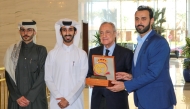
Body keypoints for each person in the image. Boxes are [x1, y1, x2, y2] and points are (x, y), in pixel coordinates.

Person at [107, 5, 177, 109]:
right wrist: (131, 76)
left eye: (144, 19)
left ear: (151, 20)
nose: (140, 22)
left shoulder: (159, 42)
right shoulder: (141, 42)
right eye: (137, 19)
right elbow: (143, 68)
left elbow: (153, 73)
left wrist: (125, 85)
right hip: (143, 100)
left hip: (158, 100)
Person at [87, 22, 133, 109]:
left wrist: (124, 85)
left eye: (107, 32)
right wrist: (90, 80)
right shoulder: (93, 52)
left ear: (115, 34)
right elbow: (89, 73)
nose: (104, 35)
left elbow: (132, 76)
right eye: (101, 32)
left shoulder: (126, 53)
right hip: (97, 101)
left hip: (117, 101)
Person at [4, 19, 48, 109]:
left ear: (34, 32)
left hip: (36, 99)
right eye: (23, 30)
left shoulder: (41, 50)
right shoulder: (12, 51)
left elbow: (43, 74)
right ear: (19, 32)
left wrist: (29, 97)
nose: (25, 33)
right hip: (16, 99)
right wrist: (17, 97)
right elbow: (8, 74)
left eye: (29, 30)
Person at [45, 18, 88, 109]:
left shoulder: (82, 54)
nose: (67, 33)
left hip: (75, 103)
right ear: (60, 33)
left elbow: (82, 80)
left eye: (70, 30)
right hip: (57, 103)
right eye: (64, 30)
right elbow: (48, 78)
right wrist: (58, 97)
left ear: (75, 32)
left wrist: (69, 99)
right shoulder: (52, 54)